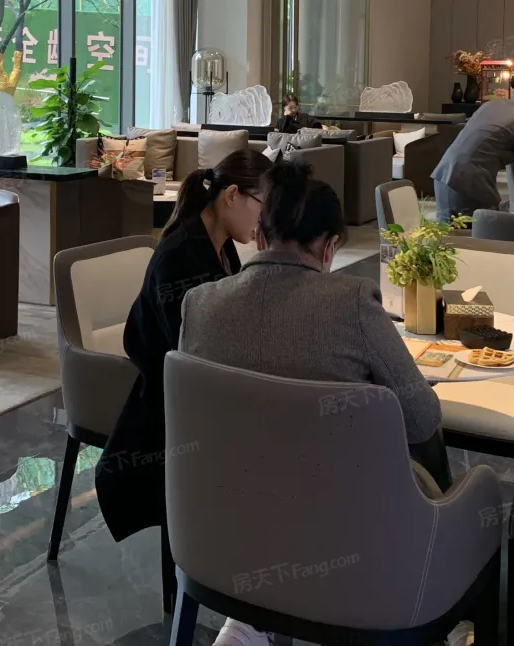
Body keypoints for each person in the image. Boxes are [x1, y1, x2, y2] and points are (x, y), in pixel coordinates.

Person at [178, 158, 452, 646]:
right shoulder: (353, 305)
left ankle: (253, 618)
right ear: (329, 247)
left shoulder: (199, 305)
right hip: (340, 533)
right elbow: (422, 419)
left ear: (259, 235)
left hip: (222, 526)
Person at [96, 148, 272, 550]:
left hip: (199, 389)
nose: (264, 220)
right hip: (170, 404)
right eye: (263, 206)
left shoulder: (219, 244)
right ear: (232, 196)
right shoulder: (180, 257)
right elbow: (195, 351)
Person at [431, 66, 514, 219]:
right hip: (470, 184)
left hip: (444, 176)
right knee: (482, 231)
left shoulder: (493, 105)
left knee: (448, 230)